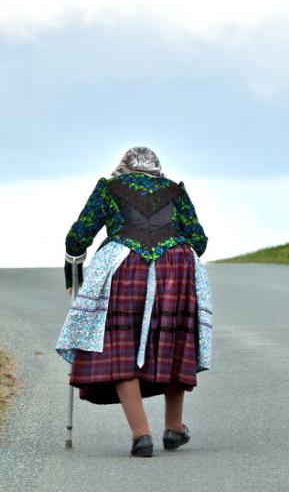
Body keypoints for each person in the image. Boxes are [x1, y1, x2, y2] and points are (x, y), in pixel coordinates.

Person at [55, 147, 213, 458]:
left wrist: (72, 268)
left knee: (121, 342)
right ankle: (174, 428)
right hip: (176, 264)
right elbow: (199, 241)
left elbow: (78, 237)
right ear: (157, 170)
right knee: (173, 338)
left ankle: (141, 435)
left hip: (125, 265)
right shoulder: (174, 191)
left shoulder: (108, 188)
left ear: (122, 169)